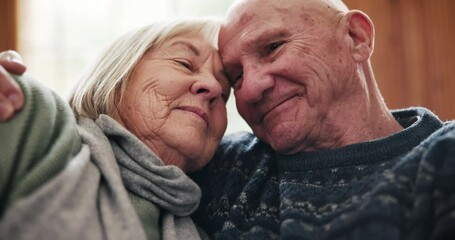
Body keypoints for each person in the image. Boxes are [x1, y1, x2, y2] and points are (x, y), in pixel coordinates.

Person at [2, 0, 455, 239]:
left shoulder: (442, 162)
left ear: (356, 37)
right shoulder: (225, 168)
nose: (243, 89)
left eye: (273, 47)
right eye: (235, 74)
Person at [0, 18, 230, 240]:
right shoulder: (26, 109)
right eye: (185, 64)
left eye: (225, 92)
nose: (213, 87)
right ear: (119, 72)